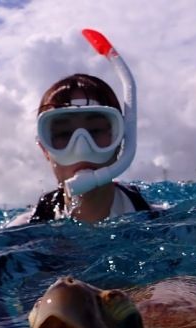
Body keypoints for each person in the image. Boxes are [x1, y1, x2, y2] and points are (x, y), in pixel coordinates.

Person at [8, 29, 154, 226]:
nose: (82, 147)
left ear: (121, 139)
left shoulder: (156, 222)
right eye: (63, 134)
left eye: (96, 131)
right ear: (45, 149)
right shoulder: (23, 231)